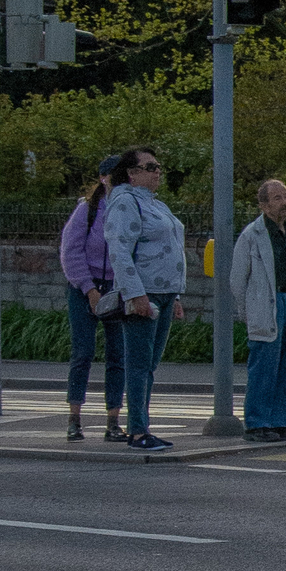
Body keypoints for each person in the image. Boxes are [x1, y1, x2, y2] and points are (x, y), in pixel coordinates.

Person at [102, 145, 188, 451]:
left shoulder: (155, 204)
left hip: (164, 293)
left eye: (158, 167)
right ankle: (138, 431)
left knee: (149, 365)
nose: (157, 172)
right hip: (145, 294)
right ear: (132, 173)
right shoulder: (125, 202)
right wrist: (135, 294)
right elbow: (120, 249)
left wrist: (175, 295)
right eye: (150, 167)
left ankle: (143, 427)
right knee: (138, 365)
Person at [230, 178, 286, 443]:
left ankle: (279, 422)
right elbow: (237, 279)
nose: (285, 202)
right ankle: (257, 424)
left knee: (285, 366)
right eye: (277, 198)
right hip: (267, 302)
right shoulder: (252, 235)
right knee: (264, 367)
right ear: (264, 205)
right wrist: (248, 310)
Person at [57, 155, 127, 443]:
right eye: (114, 176)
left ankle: (113, 420)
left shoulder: (129, 210)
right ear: (103, 178)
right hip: (84, 287)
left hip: (116, 288)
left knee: (117, 355)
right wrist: (89, 289)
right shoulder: (88, 210)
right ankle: (74, 418)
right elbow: (70, 253)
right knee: (83, 352)